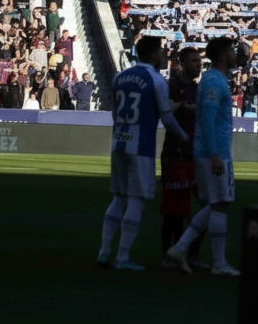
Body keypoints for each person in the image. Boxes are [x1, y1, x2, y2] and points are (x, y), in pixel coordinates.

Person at [98, 36, 190, 271]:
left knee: (118, 197)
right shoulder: (156, 80)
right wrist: (186, 138)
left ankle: (104, 252)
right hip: (141, 146)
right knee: (137, 200)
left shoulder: (120, 77)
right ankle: (122, 257)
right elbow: (167, 117)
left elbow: (114, 112)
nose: (162, 54)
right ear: (153, 54)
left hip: (118, 141)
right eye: (160, 51)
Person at [166, 37, 241, 276]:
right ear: (222, 55)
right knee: (221, 204)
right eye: (231, 50)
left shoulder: (212, 79)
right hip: (214, 152)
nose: (234, 54)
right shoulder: (213, 82)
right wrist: (215, 154)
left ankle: (180, 248)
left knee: (216, 204)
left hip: (209, 151)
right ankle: (216, 262)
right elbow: (207, 119)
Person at [160, 47, 206, 271]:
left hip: (195, 155)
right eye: (194, 61)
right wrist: (181, 106)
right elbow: (164, 110)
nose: (199, 64)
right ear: (182, 63)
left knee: (206, 205)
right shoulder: (171, 86)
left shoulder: (197, 89)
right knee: (174, 211)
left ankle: (191, 254)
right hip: (174, 153)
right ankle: (168, 256)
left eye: (200, 61)